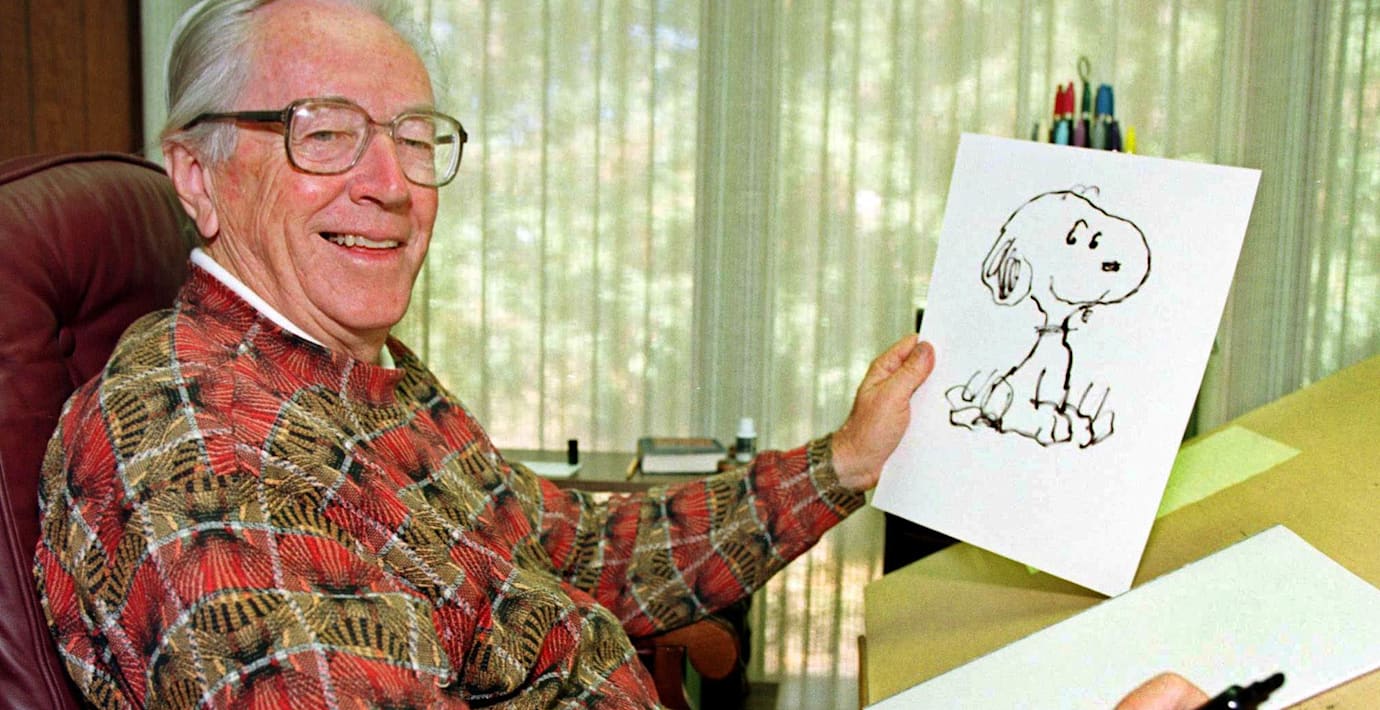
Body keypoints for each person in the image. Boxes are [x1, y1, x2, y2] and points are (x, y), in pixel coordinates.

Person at [29, 1, 1208, 707]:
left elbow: (575, 550)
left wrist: (846, 462)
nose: (389, 184)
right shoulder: (213, 467)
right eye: (324, 134)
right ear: (197, 176)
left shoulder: (353, 366)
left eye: (412, 137)